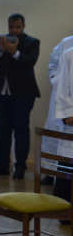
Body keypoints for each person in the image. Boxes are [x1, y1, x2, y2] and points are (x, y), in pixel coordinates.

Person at [0, 13, 40, 179]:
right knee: (3, 130)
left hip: (23, 94)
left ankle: (20, 168)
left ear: (23, 26)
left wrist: (15, 52)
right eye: (11, 27)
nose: (14, 30)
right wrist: (1, 50)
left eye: (17, 26)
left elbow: (30, 61)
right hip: (0, 93)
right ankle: (2, 165)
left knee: (21, 131)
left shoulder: (32, 42)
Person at [42, 34, 73, 184]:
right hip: (67, 108)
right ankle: (51, 175)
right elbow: (54, 68)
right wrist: (68, 113)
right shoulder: (68, 48)